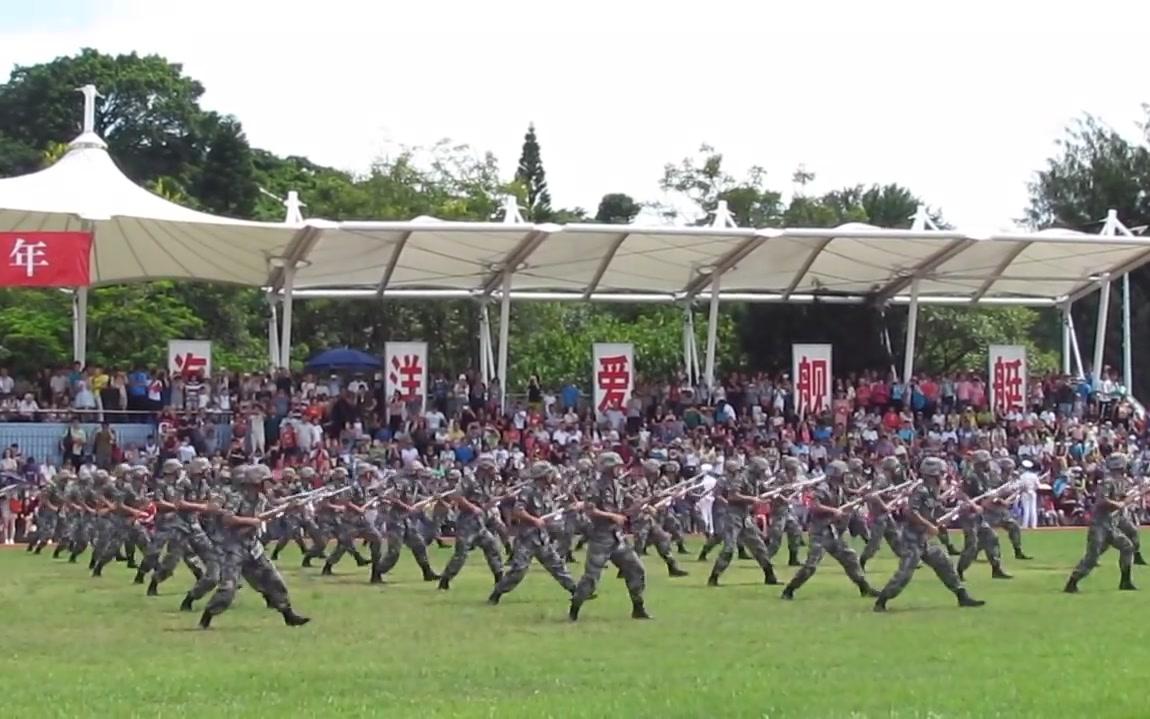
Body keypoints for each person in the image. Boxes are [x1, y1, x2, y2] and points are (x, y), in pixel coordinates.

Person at [199, 465, 309, 629]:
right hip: (233, 548)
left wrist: (287, 508)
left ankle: (288, 614)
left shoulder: (261, 499)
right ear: (255, 482)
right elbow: (228, 520)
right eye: (266, 482)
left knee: (274, 579)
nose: (269, 485)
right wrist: (250, 522)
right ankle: (207, 617)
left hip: (252, 545)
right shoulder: (237, 497)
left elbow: (262, 516)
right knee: (228, 588)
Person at [873, 457, 985, 612]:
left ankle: (962, 596)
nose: (943, 477)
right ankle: (881, 601)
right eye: (941, 474)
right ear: (932, 475)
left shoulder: (932, 492)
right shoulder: (920, 490)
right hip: (911, 539)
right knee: (904, 574)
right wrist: (929, 526)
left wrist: (961, 509)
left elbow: (937, 511)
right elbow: (911, 512)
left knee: (944, 563)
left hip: (923, 539)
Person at [569, 451, 649, 622]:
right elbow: (590, 509)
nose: (619, 469)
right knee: (591, 578)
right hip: (601, 538)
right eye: (616, 466)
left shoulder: (617, 485)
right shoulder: (596, 486)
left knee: (636, 569)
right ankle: (574, 609)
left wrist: (645, 506)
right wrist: (612, 516)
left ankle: (638, 608)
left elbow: (630, 503)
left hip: (617, 538)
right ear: (607, 467)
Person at [781, 460, 877, 600]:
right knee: (811, 565)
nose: (846, 477)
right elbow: (814, 506)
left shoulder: (838, 489)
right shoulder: (823, 488)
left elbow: (846, 505)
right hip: (820, 532)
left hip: (833, 532)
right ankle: (789, 590)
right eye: (843, 474)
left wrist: (861, 500)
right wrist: (833, 511)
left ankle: (864, 588)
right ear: (836, 475)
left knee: (850, 558)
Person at [488, 461, 578, 604]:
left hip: (541, 537)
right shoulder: (528, 491)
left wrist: (568, 509)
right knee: (518, 571)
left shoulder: (547, 491)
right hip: (527, 539)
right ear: (543, 476)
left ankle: (575, 591)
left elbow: (549, 513)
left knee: (557, 565)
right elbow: (518, 511)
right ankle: (497, 593)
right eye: (549, 473)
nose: (552, 475)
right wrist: (534, 520)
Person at [1064, 453, 1137, 593]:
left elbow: (1121, 498)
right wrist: (1118, 504)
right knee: (1092, 557)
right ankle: (1072, 582)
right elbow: (1102, 501)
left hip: (1111, 525)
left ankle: (1125, 581)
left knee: (1127, 547)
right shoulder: (1108, 481)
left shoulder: (1120, 481)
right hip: (1099, 525)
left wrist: (1128, 498)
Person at [706, 457, 778, 587]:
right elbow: (733, 496)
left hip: (745, 516)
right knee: (729, 548)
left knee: (759, 546)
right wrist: (752, 499)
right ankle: (714, 577)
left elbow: (764, 489)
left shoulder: (755, 480)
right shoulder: (741, 478)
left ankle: (770, 576)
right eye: (761, 470)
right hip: (733, 515)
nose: (763, 473)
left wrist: (776, 491)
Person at [437, 461, 505, 590]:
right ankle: (445, 580)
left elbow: (486, 501)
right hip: (466, 523)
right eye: (490, 470)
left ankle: (499, 576)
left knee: (492, 546)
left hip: (479, 524)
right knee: (461, 555)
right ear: (483, 470)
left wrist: (502, 497)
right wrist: (472, 508)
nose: (492, 474)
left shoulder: (486, 483)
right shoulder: (469, 479)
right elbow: (456, 495)